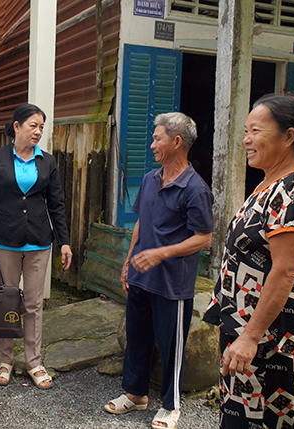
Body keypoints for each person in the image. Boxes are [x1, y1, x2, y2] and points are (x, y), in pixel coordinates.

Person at [203, 94, 294, 429]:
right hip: (244, 330)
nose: (246, 140)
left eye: (255, 131)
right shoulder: (269, 184)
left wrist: (250, 337)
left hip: (264, 339)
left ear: (288, 137)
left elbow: (286, 270)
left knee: (257, 419)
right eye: (245, 131)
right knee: (237, 417)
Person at [104, 112, 214, 429]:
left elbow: (204, 238)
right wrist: (129, 261)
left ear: (177, 141)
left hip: (172, 284)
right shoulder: (151, 179)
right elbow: (142, 221)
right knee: (137, 338)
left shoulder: (195, 188)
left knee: (170, 347)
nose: (152, 144)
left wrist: (160, 254)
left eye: (157, 138)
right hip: (141, 277)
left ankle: (171, 405)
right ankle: (135, 394)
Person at [0, 103, 73, 390]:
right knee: (7, 301)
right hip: (5, 242)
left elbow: (56, 204)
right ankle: (5, 360)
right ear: (17, 126)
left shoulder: (47, 161)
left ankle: (33, 361)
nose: (38, 131)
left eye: (41, 127)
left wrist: (65, 241)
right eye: (33, 125)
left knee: (33, 304)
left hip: (39, 242)